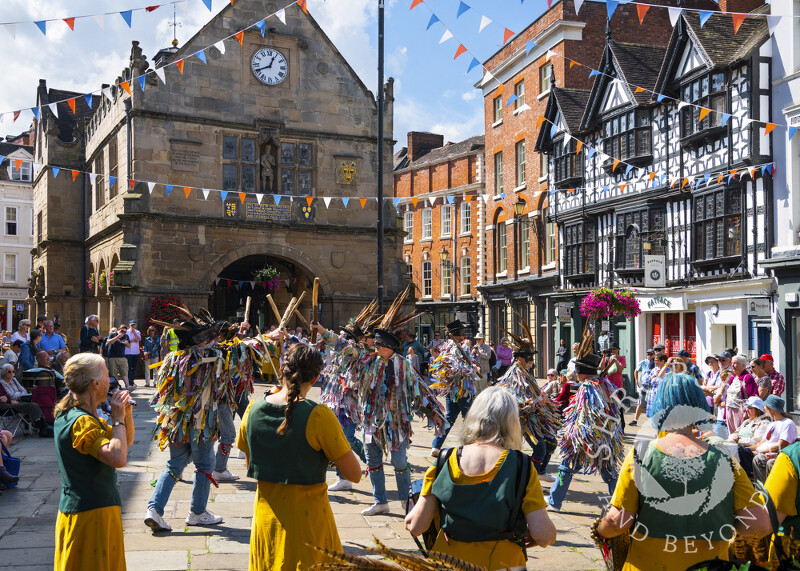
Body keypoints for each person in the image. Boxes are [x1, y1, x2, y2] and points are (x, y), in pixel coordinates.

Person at [596, 373, 770, 570]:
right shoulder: (725, 460)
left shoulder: (641, 455)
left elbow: (618, 521)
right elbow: (760, 525)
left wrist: (600, 531)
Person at [236, 342, 361, 571]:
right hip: (308, 526)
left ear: (282, 370)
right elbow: (354, 474)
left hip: (267, 523)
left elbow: (250, 464)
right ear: (314, 379)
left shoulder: (252, 410)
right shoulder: (319, 415)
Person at [405, 387, 557, 568]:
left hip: (450, 562)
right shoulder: (521, 465)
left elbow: (416, 526)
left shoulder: (445, 460)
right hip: (503, 562)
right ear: (512, 423)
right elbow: (545, 534)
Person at [354, 286, 445, 516]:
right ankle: (380, 501)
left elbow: (422, 391)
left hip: (396, 423)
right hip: (371, 419)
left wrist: (434, 412)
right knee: (371, 459)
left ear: (389, 347)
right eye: (374, 344)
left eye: (378, 345)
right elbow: (348, 351)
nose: (374, 347)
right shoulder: (369, 362)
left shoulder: (403, 366)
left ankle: (407, 504)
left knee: (399, 461)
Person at [53, 353, 134, 570]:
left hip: (91, 509)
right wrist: (117, 419)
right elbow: (118, 458)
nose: (111, 379)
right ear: (96, 383)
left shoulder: (73, 413)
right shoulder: (82, 421)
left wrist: (125, 414)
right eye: (107, 374)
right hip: (91, 513)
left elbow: (125, 441)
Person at [546, 332, 623, 512]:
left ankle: (555, 501)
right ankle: (619, 505)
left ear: (581, 372)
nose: (575, 374)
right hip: (604, 437)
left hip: (583, 438)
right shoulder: (604, 384)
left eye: (577, 371)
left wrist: (569, 433)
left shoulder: (587, 388)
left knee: (566, 467)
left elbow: (583, 415)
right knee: (609, 472)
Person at [496, 328, 561, 483]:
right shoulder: (515, 374)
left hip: (535, 416)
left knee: (552, 442)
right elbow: (518, 403)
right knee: (540, 449)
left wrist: (545, 399)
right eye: (528, 359)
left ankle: (540, 472)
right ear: (519, 359)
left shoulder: (525, 372)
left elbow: (533, 394)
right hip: (523, 420)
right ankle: (526, 480)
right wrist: (540, 401)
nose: (531, 361)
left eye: (532, 359)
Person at [429, 319, 478, 458]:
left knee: (449, 417)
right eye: (462, 332)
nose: (464, 335)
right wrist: (471, 368)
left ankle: (436, 445)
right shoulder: (458, 347)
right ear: (457, 334)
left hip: (452, 390)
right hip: (462, 389)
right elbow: (456, 368)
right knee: (468, 417)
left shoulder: (446, 347)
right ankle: (469, 446)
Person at [720, 396, 772, 477]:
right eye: (747, 408)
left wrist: (739, 440)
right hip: (736, 447)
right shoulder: (746, 422)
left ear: (758, 409)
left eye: (750, 408)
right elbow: (735, 432)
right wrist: (733, 438)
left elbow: (756, 441)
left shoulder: (764, 423)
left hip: (747, 452)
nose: (747, 410)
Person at [753, 395, 798, 483]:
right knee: (742, 453)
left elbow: (781, 446)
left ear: (772, 409)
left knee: (763, 460)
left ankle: (767, 491)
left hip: (781, 455)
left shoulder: (787, 424)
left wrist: (759, 452)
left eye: (765, 406)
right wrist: (747, 449)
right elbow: (761, 443)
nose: (764, 408)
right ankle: (761, 490)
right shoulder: (772, 424)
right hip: (764, 453)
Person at [0, 364, 50, 437]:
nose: (12, 373)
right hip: (8, 406)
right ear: (4, 373)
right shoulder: (2, 383)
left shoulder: (14, 380)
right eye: (9, 372)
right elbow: (12, 396)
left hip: (18, 401)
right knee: (32, 406)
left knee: (35, 403)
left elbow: (23, 391)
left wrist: (15, 395)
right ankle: (42, 427)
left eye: (13, 371)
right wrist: (17, 394)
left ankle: (41, 426)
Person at [724, 355, 759, 435]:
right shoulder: (733, 377)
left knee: (740, 434)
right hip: (729, 408)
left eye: (735, 363)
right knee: (732, 435)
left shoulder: (747, 378)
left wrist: (747, 411)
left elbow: (753, 396)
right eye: (732, 363)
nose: (732, 365)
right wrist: (725, 414)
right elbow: (727, 396)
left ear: (743, 365)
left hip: (740, 410)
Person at [630, 349, 654, 426]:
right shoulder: (643, 362)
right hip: (645, 385)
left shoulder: (656, 362)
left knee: (653, 403)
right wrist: (637, 380)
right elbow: (636, 370)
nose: (649, 356)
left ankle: (653, 421)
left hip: (653, 385)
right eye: (648, 354)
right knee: (641, 403)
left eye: (651, 354)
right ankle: (635, 419)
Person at [125, 320, 141, 389]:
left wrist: (134, 333)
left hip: (135, 352)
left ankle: (132, 380)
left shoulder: (137, 332)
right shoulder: (126, 332)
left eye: (134, 325)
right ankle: (128, 381)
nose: (133, 326)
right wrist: (132, 340)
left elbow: (138, 340)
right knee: (128, 367)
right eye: (131, 325)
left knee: (133, 367)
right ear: (129, 325)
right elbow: (126, 341)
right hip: (127, 352)